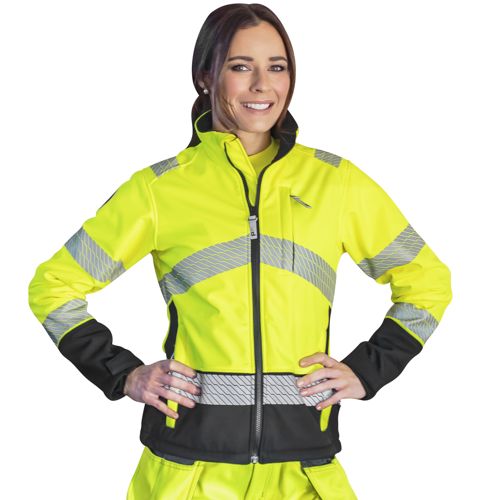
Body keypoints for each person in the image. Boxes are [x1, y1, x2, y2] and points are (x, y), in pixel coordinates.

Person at [28, 3, 452, 499]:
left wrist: (368, 370)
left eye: (277, 66)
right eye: (240, 66)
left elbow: (427, 282)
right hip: (186, 473)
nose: (262, 85)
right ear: (206, 77)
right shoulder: (159, 190)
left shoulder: (337, 183)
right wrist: (122, 375)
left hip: (304, 471)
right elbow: (53, 287)